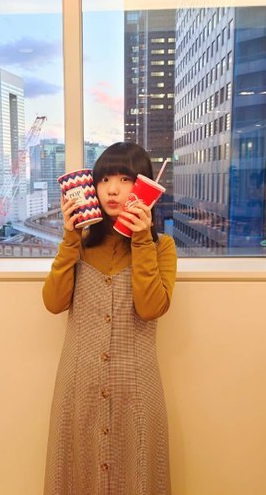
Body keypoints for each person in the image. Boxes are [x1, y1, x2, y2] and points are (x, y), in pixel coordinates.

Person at [42, 141, 177, 495]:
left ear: (144, 186)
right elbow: (53, 303)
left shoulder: (161, 247)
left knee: (137, 476)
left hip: (137, 388)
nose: (112, 190)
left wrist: (142, 240)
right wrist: (70, 239)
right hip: (79, 386)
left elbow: (150, 308)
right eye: (104, 180)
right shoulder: (80, 243)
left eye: (125, 179)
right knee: (76, 476)